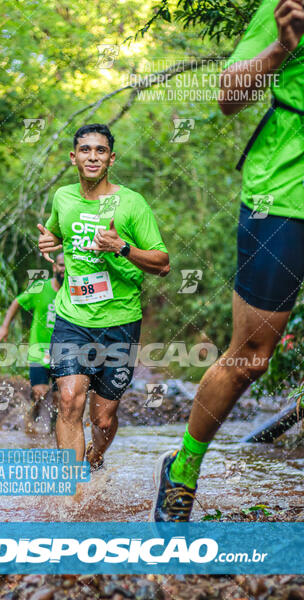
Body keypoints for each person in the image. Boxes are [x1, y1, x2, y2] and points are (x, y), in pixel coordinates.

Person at [152, 0, 304, 521]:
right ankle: (184, 468)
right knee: (250, 358)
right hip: (284, 197)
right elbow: (228, 97)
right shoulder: (286, 8)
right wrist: (284, 47)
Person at [38, 123, 170, 466]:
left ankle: (95, 457)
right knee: (68, 401)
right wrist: (48, 242)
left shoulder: (132, 203)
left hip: (120, 322)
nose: (92, 156)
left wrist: (122, 247)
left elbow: (163, 263)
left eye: (100, 150)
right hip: (73, 318)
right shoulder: (63, 198)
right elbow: (55, 233)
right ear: (73, 157)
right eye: (85, 150)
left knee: (103, 418)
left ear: (111, 158)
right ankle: (72, 490)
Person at [0, 253, 65, 423]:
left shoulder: (74, 292)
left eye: (68, 266)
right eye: (61, 265)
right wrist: (4, 327)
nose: (64, 270)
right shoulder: (40, 288)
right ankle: (30, 426)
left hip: (64, 354)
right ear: (54, 267)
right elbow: (17, 302)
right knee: (39, 394)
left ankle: (54, 435)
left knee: (60, 399)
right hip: (39, 352)